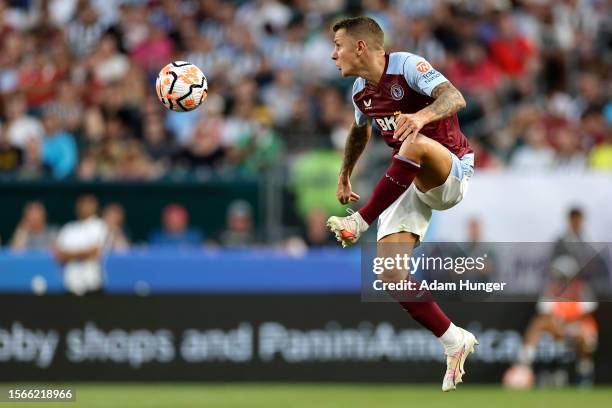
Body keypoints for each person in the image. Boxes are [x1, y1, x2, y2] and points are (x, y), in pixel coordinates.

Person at [326, 17, 476, 391]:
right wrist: (345, 172)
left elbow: (455, 96)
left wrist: (421, 115)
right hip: (408, 178)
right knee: (389, 274)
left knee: (414, 141)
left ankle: (358, 222)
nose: (333, 55)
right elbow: (360, 130)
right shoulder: (361, 91)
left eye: (338, 45)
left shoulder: (407, 66)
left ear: (360, 47)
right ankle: (453, 340)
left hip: (450, 172)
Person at [53, 194, 109, 295]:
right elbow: (59, 255)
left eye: (89, 204)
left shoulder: (100, 225)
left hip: (92, 285)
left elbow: (94, 252)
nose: (85, 207)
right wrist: (83, 253)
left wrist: (69, 255)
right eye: (83, 204)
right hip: (70, 285)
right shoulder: (68, 228)